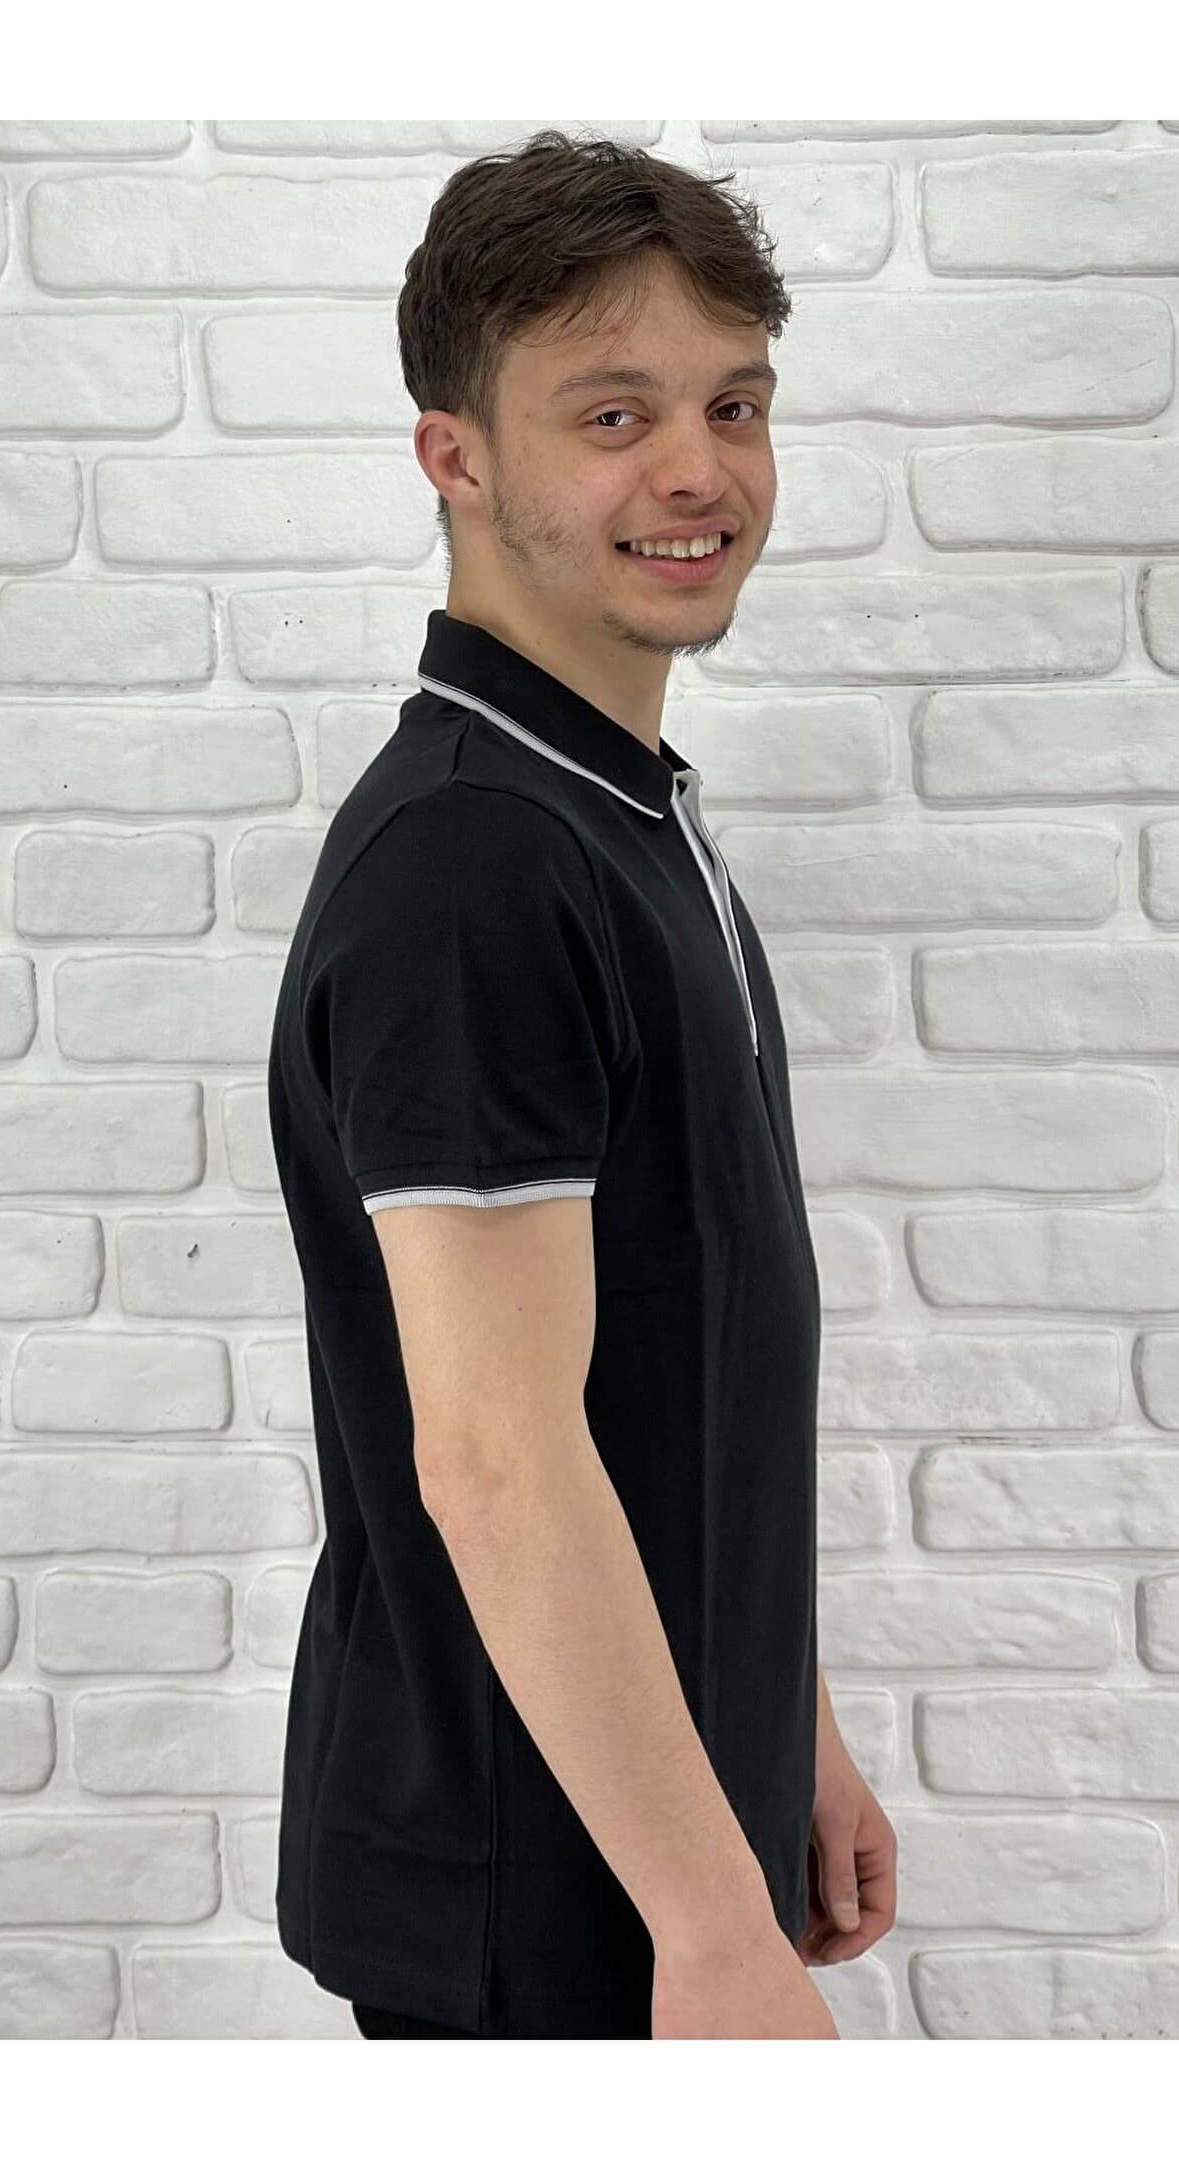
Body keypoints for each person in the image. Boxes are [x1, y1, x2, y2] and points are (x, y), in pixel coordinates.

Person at [267, 128, 897, 2042]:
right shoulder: (476, 864)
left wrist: (789, 1729)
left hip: (647, 1833)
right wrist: (709, 1928)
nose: (698, 469)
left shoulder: (616, 816)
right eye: (612, 415)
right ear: (456, 457)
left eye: (733, 405)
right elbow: (496, 1453)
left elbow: (682, 1370)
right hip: (544, 1901)